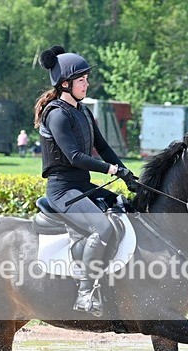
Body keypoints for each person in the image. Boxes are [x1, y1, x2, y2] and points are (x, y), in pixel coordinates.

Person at [33, 45, 137, 317]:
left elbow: (103, 147)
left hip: (82, 187)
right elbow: (76, 156)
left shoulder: (84, 112)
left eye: (86, 79)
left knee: (124, 207)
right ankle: (85, 292)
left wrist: (127, 175)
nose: (87, 84)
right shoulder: (56, 114)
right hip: (63, 191)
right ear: (65, 84)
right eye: (82, 80)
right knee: (101, 229)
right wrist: (112, 171)